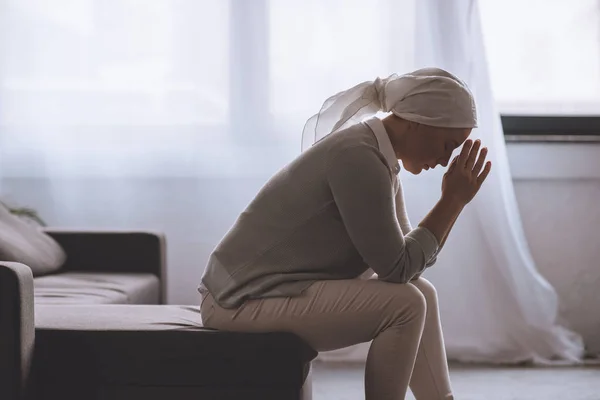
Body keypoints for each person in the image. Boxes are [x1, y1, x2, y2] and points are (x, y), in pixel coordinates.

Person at [199, 67, 492, 400]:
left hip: (264, 294)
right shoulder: (358, 156)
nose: (445, 160)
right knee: (406, 303)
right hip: (238, 302)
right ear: (418, 121)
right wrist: (452, 201)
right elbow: (397, 268)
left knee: (421, 292)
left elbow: (410, 265)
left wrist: (454, 201)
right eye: (447, 145)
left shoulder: (378, 155)